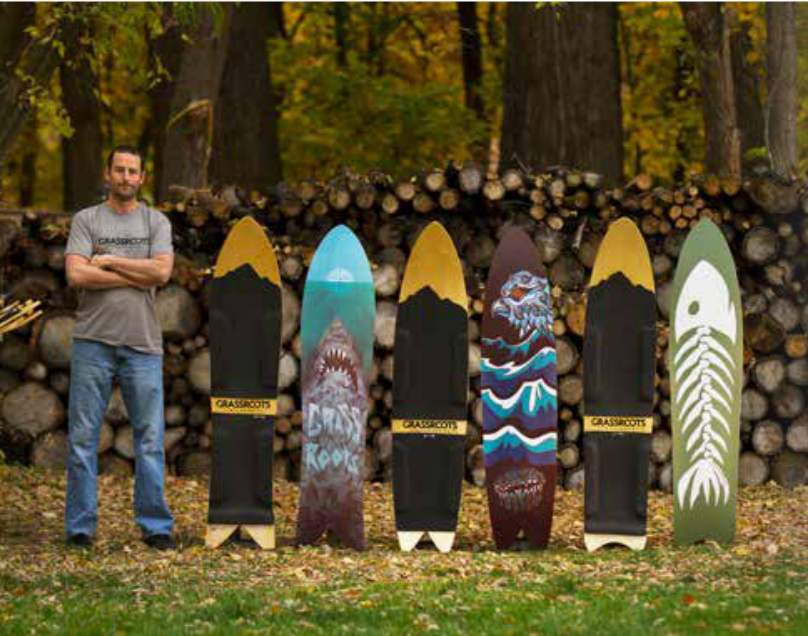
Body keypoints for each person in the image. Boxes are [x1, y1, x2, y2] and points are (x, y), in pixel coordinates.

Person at [63, 144, 176, 550]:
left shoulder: (155, 221)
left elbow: (162, 271)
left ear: (142, 178)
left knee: (149, 437)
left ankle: (156, 526)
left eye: (133, 172)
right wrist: (135, 274)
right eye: (120, 170)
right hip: (92, 341)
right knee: (82, 437)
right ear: (107, 174)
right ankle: (80, 526)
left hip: (143, 345)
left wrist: (107, 261)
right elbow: (77, 275)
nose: (126, 177)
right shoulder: (86, 219)